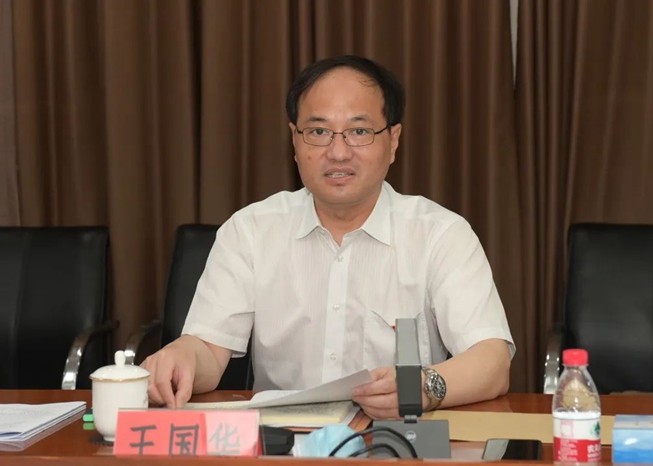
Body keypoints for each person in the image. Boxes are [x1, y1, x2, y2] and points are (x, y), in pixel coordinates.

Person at [143, 55, 514, 420]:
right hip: (282, 442)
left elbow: (492, 360)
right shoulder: (250, 230)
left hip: (399, 440)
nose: (338, 152)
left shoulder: (440, 234)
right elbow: (209, 352)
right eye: (319, 132)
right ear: (295, 140)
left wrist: (425, 387)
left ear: (393, 141)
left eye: (359, 131)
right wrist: (182, 356)